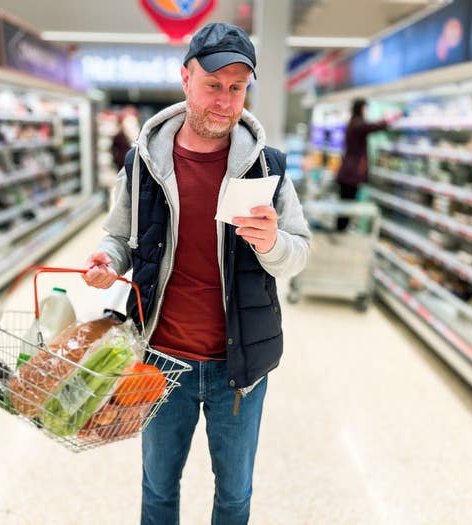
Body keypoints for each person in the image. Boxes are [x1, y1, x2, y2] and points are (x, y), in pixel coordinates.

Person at [82, 22, 310, 525]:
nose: (224, 102)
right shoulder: (143, 163)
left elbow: (300, 252)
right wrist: (106, 260)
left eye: (236, 88)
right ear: (185, 78)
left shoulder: (267, 169)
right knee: (159, 488)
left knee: (234, 495)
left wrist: (272, 244)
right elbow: (118, 236)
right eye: (212, 85)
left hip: (240, 368)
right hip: (160, 361)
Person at [335, 98, 399, 230]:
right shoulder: (358, 124)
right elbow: (372, 127)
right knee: (347, 207)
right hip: (350, 174)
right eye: (366, 108)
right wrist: (389, 119)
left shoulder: (353, 122)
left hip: (347, 172)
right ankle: (341, 232)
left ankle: (341, 231)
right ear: (361, 109)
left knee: (345, 206)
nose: (367, 111)